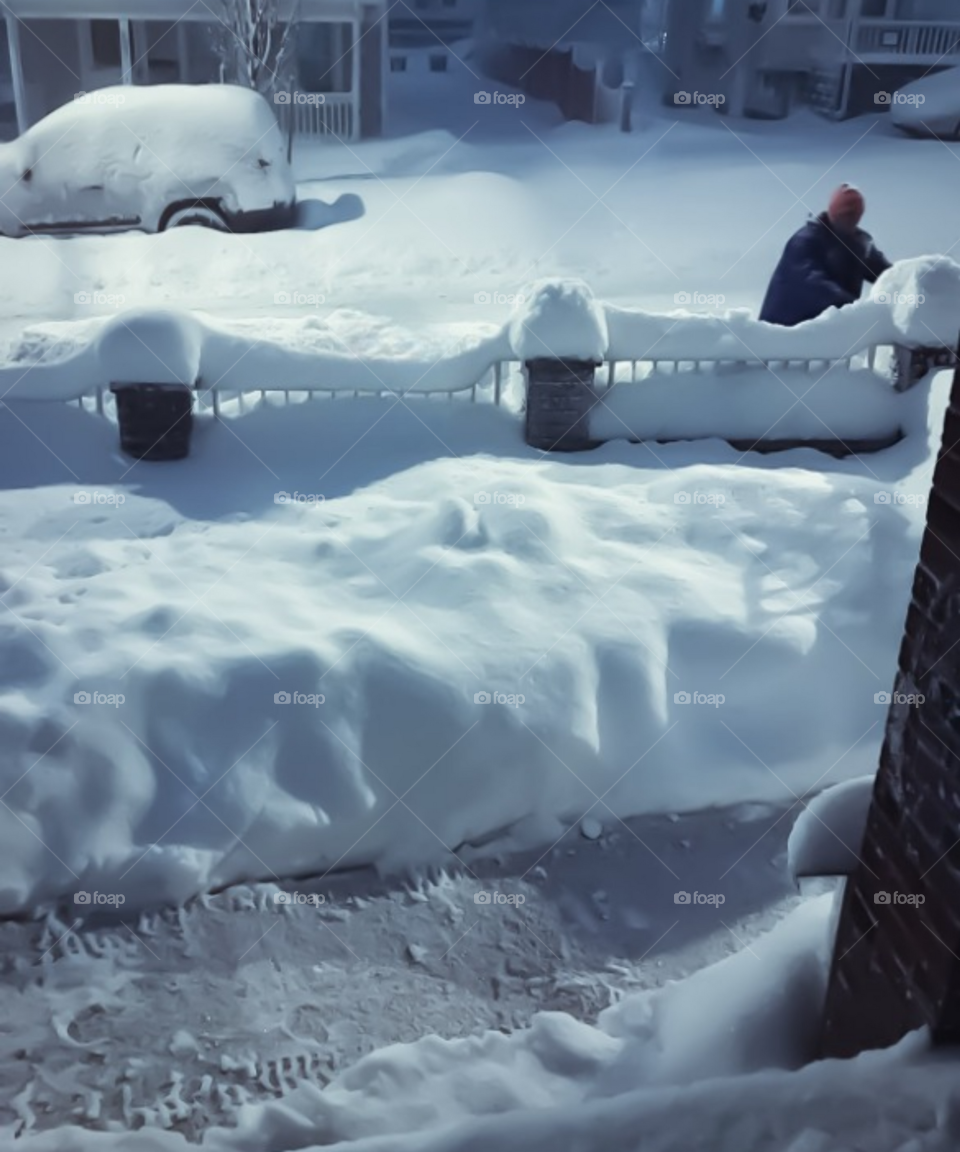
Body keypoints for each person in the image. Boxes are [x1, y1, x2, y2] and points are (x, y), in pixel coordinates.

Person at [759, 184, 891, 327]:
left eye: (855, 215)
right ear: (834, 212)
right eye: (846, 214)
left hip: (823, 331)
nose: (851, 219)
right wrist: (854, 307)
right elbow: (814, 283)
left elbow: (886, 273)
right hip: (782, 331)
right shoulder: (805, 241)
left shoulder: (859, 243)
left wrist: (907, 287)